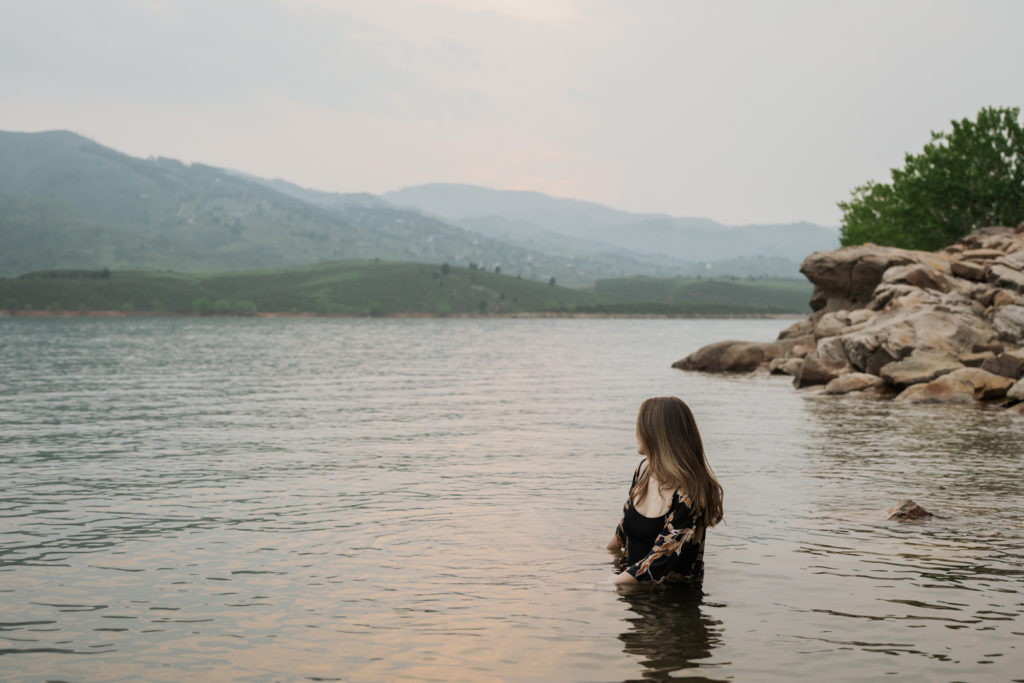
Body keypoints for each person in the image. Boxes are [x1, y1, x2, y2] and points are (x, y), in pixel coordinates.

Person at [607, 396, 723, 586]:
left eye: (639, 426)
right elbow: (622, 534)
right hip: (630, 591)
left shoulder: (689, 494)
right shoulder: (644, 471)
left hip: (670, 605)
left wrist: (602, 586)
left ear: (654, 434)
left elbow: (659, 561)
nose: (635, 433)